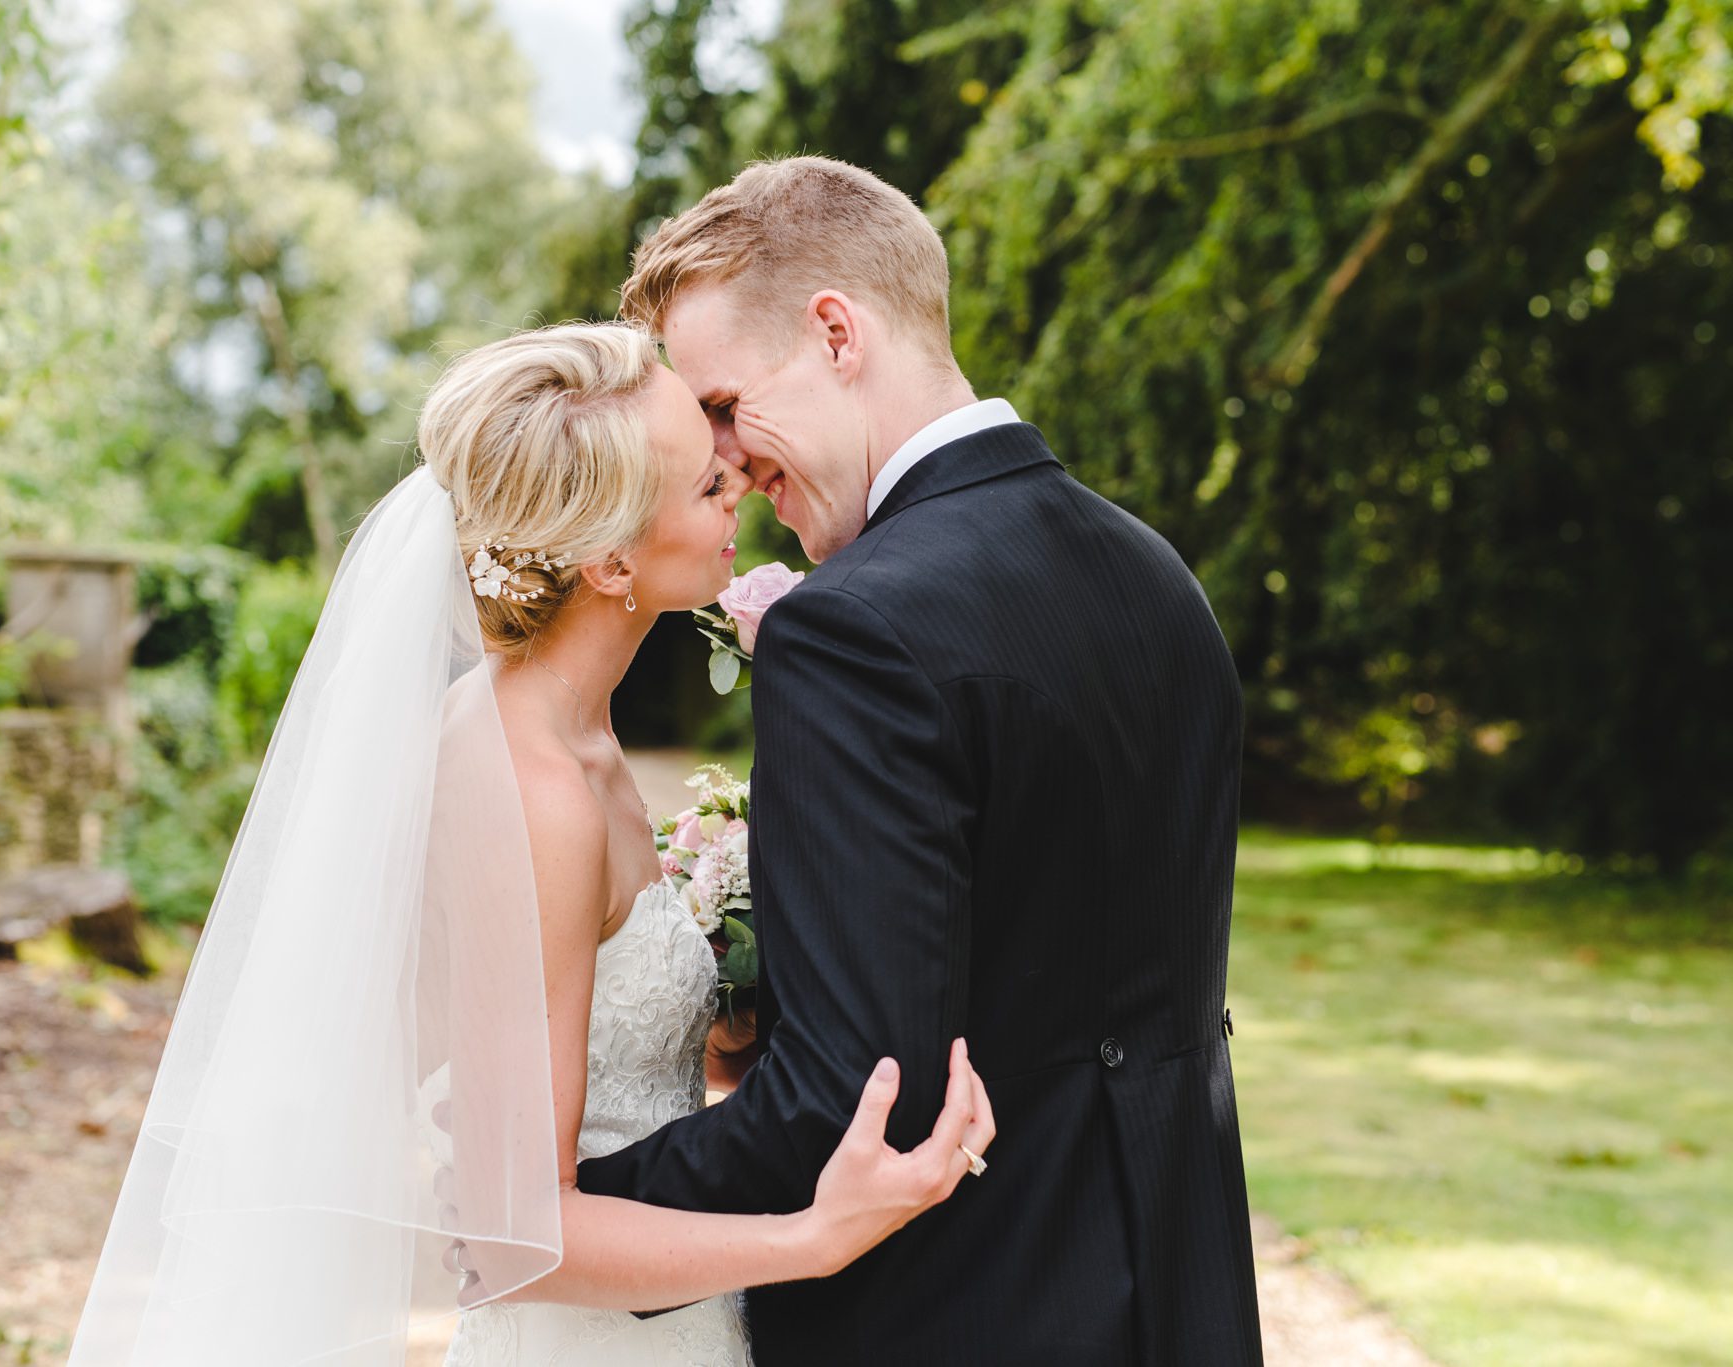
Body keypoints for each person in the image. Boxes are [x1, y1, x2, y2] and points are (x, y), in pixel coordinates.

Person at [68, 322, 993, 1367]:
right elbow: (519, 1239)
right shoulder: (529, 782)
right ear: (606, 562)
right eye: (700, 484)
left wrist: (730, 1016)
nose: (734, 475)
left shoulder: (573, 731)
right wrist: (815, 1236)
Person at [571, 156, 1265, 1365]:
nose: (724, 463)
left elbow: (847, 1108)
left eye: (726, 406)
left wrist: (556, 1217)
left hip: (950, 1318)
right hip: (1179, 1302)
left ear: (835, 330)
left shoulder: (851, 627)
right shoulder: (1156, 576)